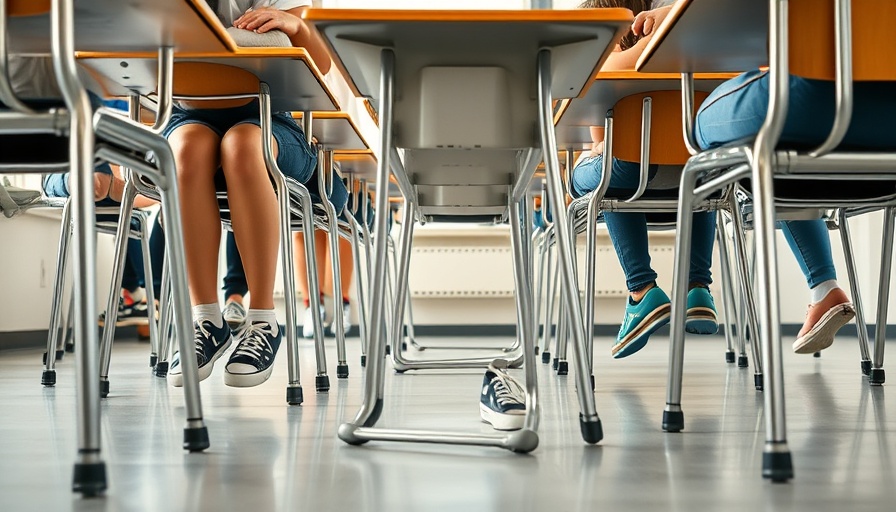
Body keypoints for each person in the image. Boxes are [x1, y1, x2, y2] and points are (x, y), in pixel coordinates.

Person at [165, 0, 332, 388]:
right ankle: (207, 319)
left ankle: (263, 320)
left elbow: (321, 66)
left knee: (242, 147)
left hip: (270, 117)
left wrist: (296, 26)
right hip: (189, 113)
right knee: (186, 152)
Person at [572, 0, 718, 360]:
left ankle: (642, 290)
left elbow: (599, 141)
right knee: (695, 167)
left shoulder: (610, 63)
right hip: (696, 178)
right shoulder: (696, 41)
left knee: (593, 173)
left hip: (635, 175)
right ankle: (697, 286)